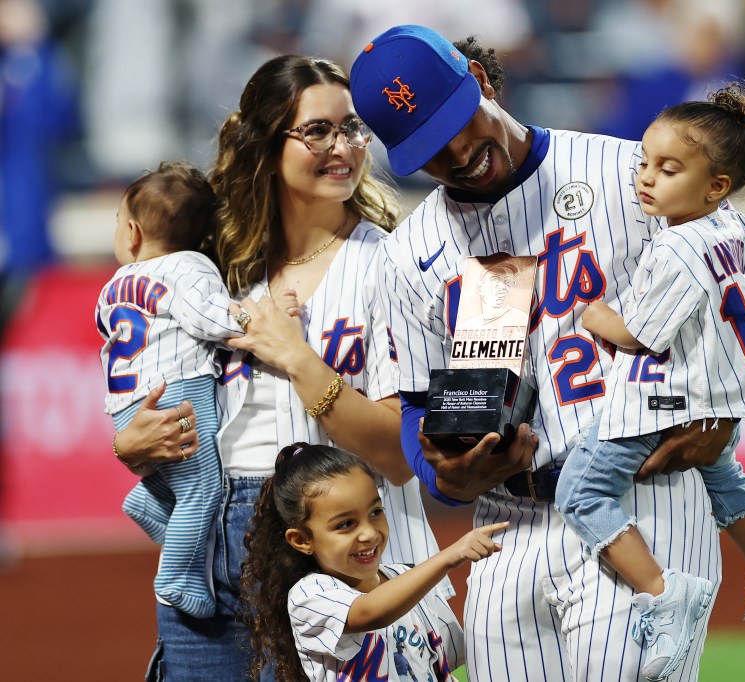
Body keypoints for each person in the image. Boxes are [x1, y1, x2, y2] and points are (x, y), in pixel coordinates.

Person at [351, 25, 745, 681]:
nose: (456, 153)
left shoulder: (628, 174)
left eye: (458, 122)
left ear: (480, 81)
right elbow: (414, 404)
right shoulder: (407, 255)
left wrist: (719, 411)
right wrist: (444, 468)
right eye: (429, 149)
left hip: (644, 505)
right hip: (503, 531)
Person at [110, 54, 446, 681]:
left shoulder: (395, 263)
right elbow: (145, 381)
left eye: (351, 128)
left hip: (340, 542)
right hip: (217, 530)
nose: (342, 145)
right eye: (317, 130)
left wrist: (298, 359)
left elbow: (400, 455)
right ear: (266, 139)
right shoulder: (210, 267)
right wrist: (133, 443)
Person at [555, 83, 745, 679]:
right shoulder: (743, 230)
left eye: (668, 169)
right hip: (722, 400)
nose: (646, 177)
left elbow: (640, 333)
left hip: (659, 403)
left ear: (715, 185)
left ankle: (663, 594)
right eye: (645, 161)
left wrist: (594, 315)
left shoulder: (677, 246)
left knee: (580, 494)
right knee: (729, 483)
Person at [98, 160, 283, 618]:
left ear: (134, 233)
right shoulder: (190, 266)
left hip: (126, 405)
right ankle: (177, 576)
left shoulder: (114, 284)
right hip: (178, 393)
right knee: (204, 488)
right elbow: (208, 317)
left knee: (185, 488)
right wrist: (252, 315)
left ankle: (151, 499)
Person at [241, 442, 506, 682]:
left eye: (375, 512)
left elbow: (453, 658)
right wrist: (449, 556)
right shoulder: (309, 595)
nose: (369, 533)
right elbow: (369, 612)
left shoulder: (406, 577)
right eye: (346, 524)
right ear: (301, 540)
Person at [458, 261, 530, 331]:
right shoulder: (466, 327)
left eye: (506, 281)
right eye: (495, 279)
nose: (502, 286)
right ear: (480, 288)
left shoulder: (521, 319)